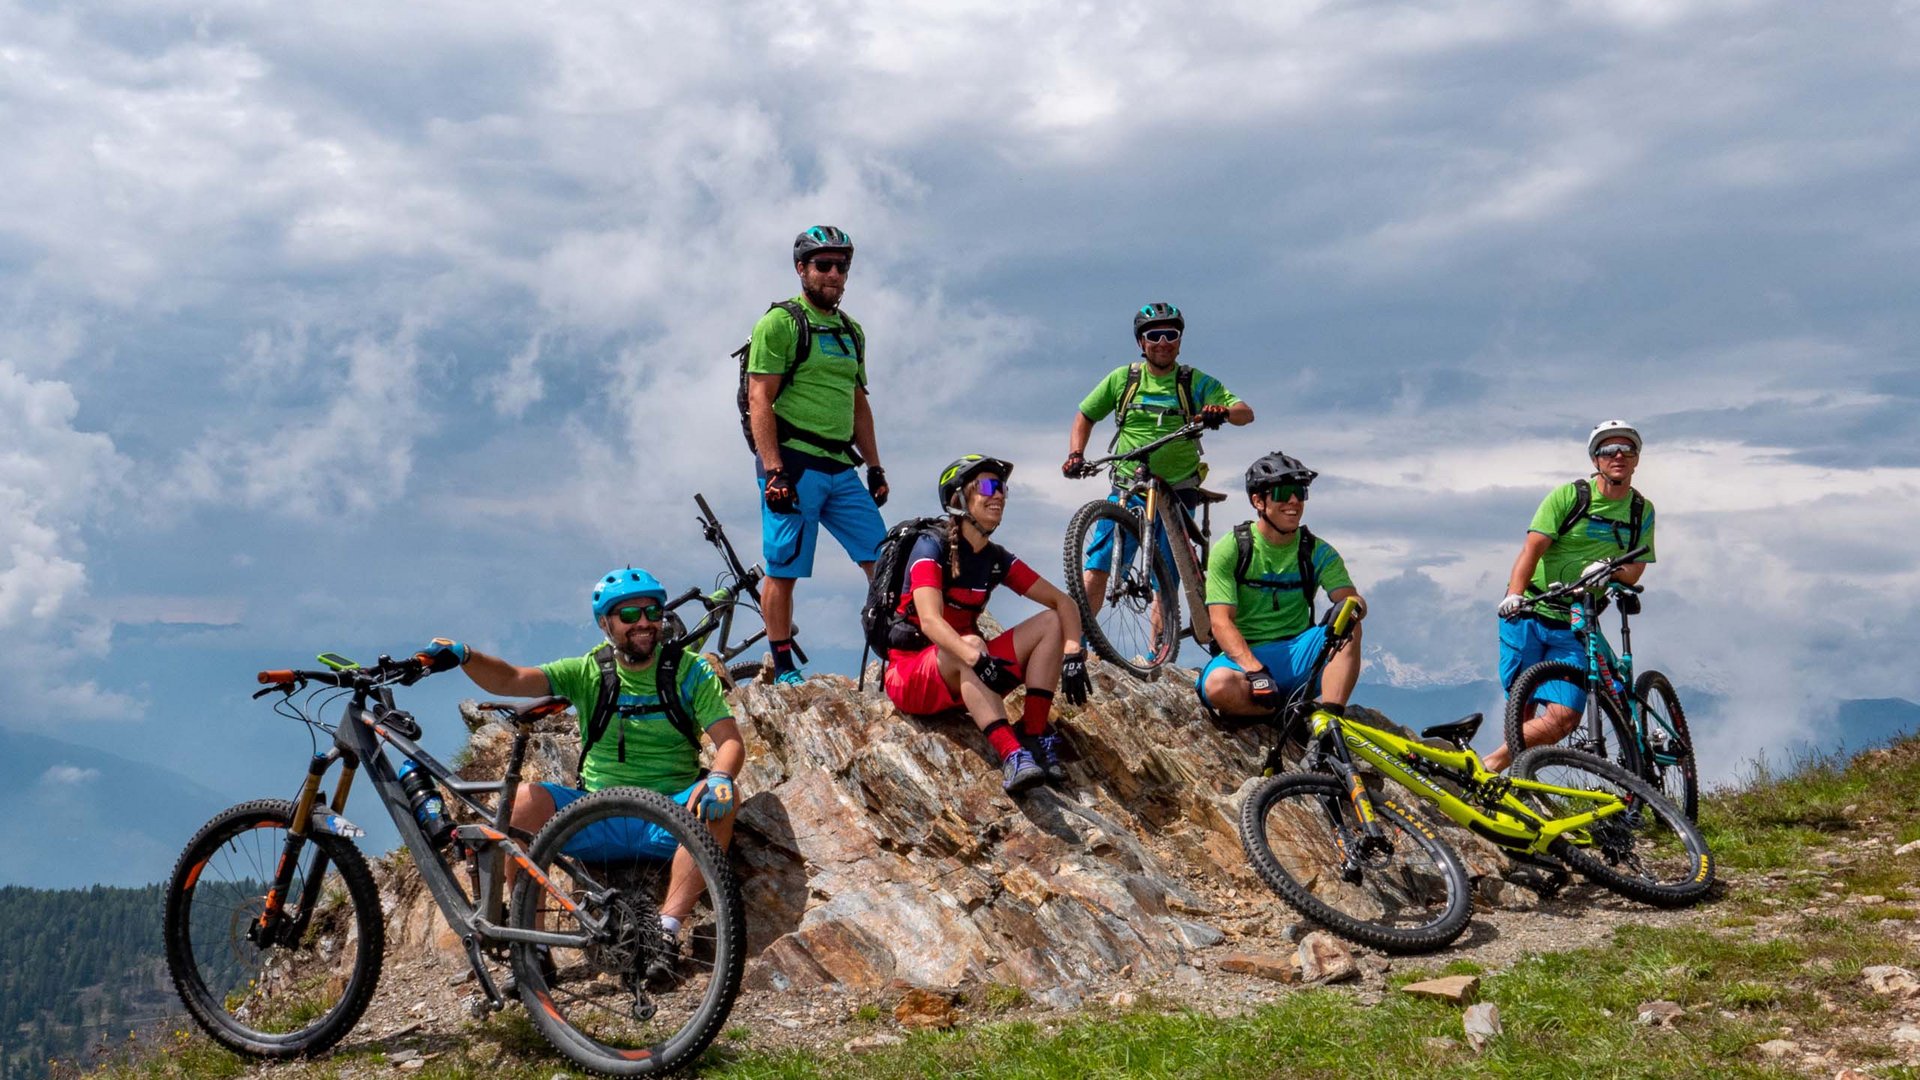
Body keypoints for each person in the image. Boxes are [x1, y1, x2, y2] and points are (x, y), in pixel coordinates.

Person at [419, 566, 745, 968]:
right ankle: (534, 945)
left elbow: (729, 741)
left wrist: (719, 777)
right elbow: (513, 678)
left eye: (652, 613)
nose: (643, 623)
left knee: (723, 802)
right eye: (629, 615)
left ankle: (665, 932)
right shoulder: (589, 671)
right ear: (606, 623)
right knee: (521, 804)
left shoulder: (690, 670)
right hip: (596, 814)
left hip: (669, 816)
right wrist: (466, 654)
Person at [881, 455, 1093, 794]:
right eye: (989, 486)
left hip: (967, 673)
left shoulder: (995, 558)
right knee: (972, 645)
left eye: (1003, 488)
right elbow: (932, 623)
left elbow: (1062, 603)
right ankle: (1012, 756)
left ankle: (1033, 733)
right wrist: (977, 658)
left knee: (1051, 622)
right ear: (959, 498)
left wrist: (1072, 653)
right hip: (911, 677)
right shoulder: (929, 546)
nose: (999, 495)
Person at [746, 225, 890, 684]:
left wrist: (875, 466)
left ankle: (897, 650)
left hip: (840, 465)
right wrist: (773, 472)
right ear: (801, 270)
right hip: (794, 462)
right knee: (784, 569)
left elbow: (857, 401)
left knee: (884, 559)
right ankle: (784, 665)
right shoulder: (781, 323)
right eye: (823, 265)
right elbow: (759, 399)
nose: (834, 274)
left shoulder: (851, 331)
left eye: (841, 266)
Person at [1484, 421, 1656, 772]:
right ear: (1596, 460)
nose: (1618, 455)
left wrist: (1609, 569)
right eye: (1609, 450)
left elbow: (1637, 567)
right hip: (1530, 610)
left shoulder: (1641, 511)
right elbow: (1531, 550)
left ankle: (1492, 765)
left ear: (1637, 459)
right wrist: (1514, 595)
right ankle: (1515, 778)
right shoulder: (1569, 497)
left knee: (1564, 718)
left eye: (1627, 449)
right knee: (1522, 702)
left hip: (1577, 621)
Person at [1063, 302, 1254, 616]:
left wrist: (1223, 412)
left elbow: (1246, 414)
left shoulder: (1193, 381)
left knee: (1167, 575)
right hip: (1129, 484)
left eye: (1171, 334)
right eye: (1154, 335)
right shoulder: (1123, 379)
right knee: (1098, 563)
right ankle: (1078, 643)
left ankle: (1157, 656)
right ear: (1141, 342)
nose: (1163, 342)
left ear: (1179, 340)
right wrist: (1075, 455)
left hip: (1177, 489)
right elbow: (1085, 415)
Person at [1198, 452, 1367, 734]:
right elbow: (1220, 622)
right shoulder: (1232, 549)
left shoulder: (1316, 550)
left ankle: (1328, 724)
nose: (1294, 502)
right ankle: (1287, 714)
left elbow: (1352, 598)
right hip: (1245, 657)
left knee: (1350, 622)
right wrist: (1255, 671)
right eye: (1283, 493)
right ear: (1258, 501)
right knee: (1218, 686)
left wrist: (1352, 606)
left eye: (1300, 493)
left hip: (1301, 654)